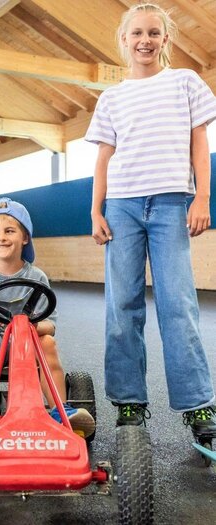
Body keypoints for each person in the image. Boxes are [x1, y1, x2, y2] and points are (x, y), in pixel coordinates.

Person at [85, 2, 216, 434]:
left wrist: (201, 198)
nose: (145, 40)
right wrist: (96, 210)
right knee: (121, 307)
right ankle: (129, 403)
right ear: (124, 41)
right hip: (121, 207)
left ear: (165, 39)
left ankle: (198, 406)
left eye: (154, 33)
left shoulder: (185, 83)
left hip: (171, 204)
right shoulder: (112, 97)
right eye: (136, 33)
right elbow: (103, 159)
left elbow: (201, 145)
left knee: (178, 305)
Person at [0, 197, 95, 440]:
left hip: (28, 346)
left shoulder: (37, 276)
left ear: (24, 238)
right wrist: (10, 321)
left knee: (48, 342)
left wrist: (29, 325)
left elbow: (50, 325)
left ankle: (59, 409)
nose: (1, 237)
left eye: (9, 231)